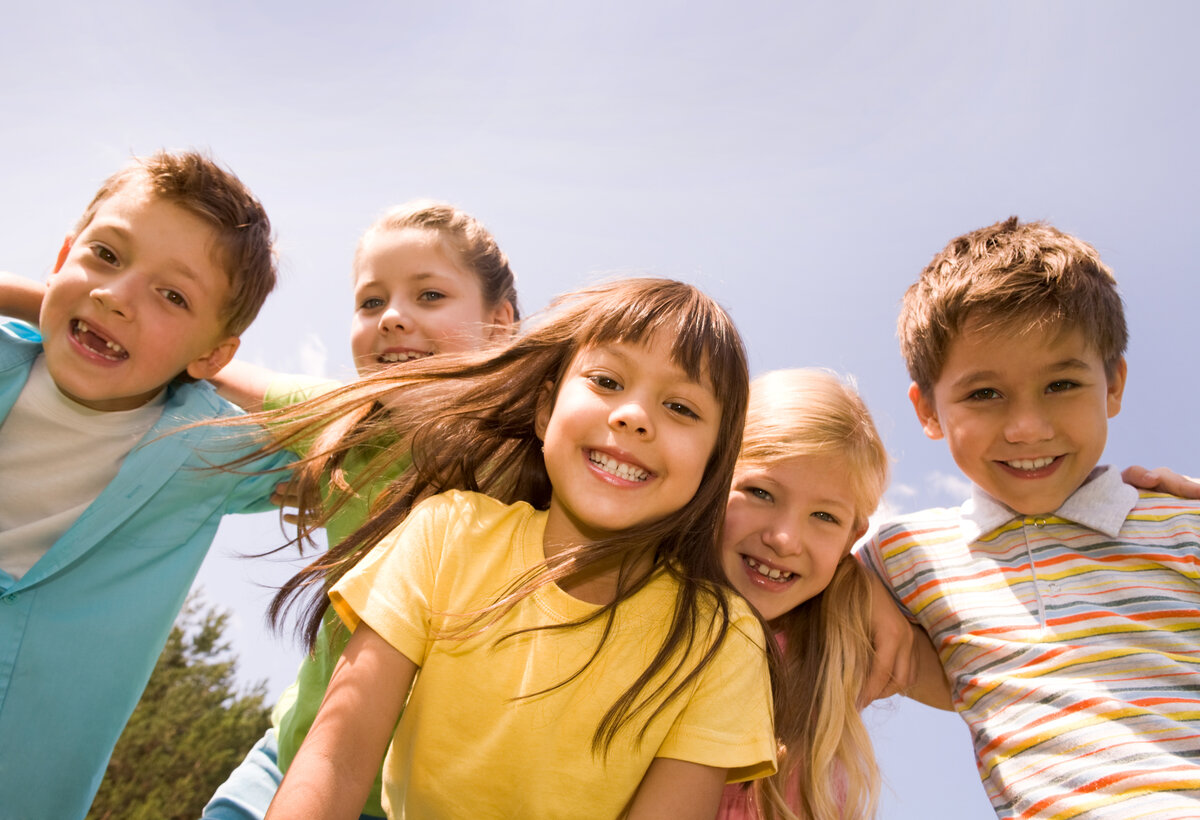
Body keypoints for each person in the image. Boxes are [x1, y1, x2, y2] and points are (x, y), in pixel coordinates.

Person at [260, 278, 776, 819]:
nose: (634, 416)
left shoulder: (720, 640)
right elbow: (337, 759)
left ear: (713, 465)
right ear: (546, 411)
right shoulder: (447, 534)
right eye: (606, 380)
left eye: (681, 407)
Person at [859, 217, 1200, 819]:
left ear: (1114, 383)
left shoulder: (1180, 523)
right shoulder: (906, 555)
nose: (1027, 428)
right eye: (984, 394)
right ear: (928, 410)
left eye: (1061, 383)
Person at [202, 200, 518, 820]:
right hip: (292, 760)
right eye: (371, 302)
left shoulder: (536, 456)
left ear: (500, 322)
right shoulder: (345, 411)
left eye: (429, 295)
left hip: (419, 803)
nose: (394, 318)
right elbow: (208, 365)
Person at [0, 150, 290, 820]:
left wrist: (205, 373)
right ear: (62, 256)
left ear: (215, 351)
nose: (115, 297)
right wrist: (36, 296)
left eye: (172, 296)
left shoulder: (205, 451)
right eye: (104, 255)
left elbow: (377, 441)